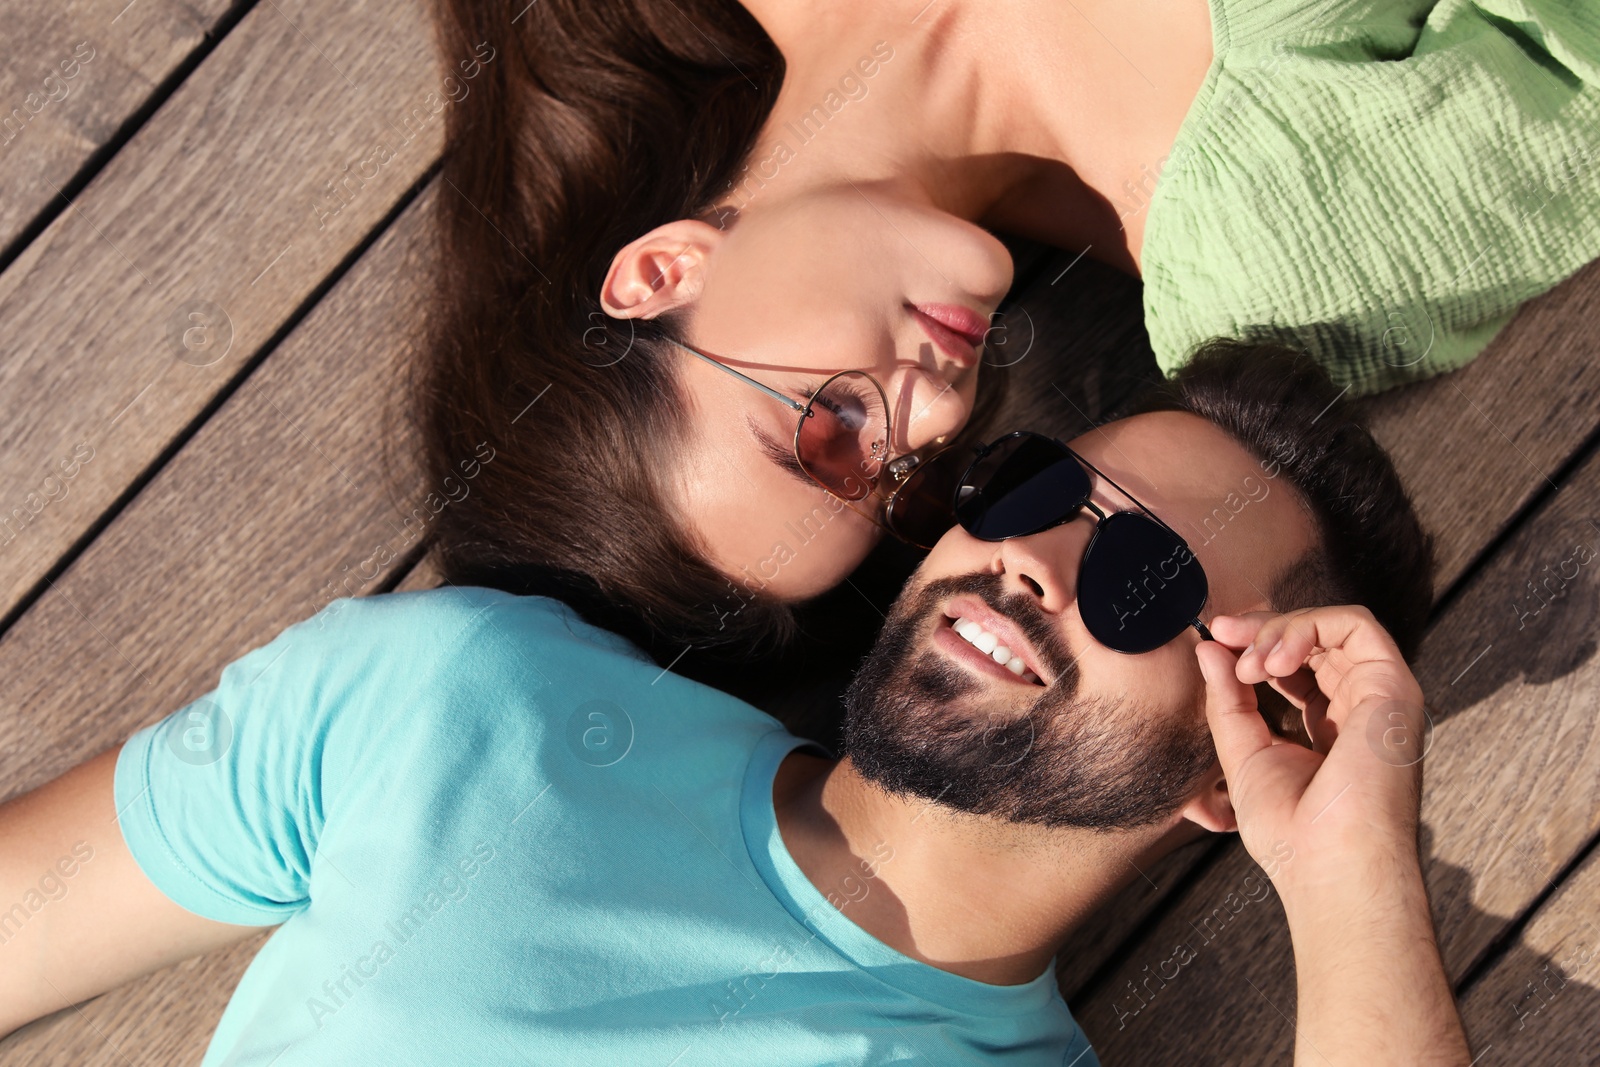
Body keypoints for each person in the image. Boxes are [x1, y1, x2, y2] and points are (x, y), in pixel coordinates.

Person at [0, 346, 1468, 1063]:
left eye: (1145, 573)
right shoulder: (464, 693)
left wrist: (1349, 875)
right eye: (1032, 487)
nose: (1028, 553)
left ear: (1243, 752)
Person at [415, 0, 1600, 662]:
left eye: (828, 430)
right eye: (909, 481)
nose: (934, 406)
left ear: (660, 272)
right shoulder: (1282, 248)